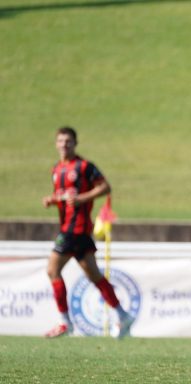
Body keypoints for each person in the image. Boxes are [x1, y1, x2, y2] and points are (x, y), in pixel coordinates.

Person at [42, 126, 135, 339]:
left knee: (52, 270)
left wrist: (84, 198)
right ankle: (123, 315)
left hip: (75, 229)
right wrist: (53, 200)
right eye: (61, 141)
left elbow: (105, 188)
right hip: (75, 231)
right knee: (94, 276)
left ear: (75, 143)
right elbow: (64, 196)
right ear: (56, 144)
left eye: (68, 141)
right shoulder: (56, 170)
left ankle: (65, 322)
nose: (64, 145)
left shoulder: (84, 167)